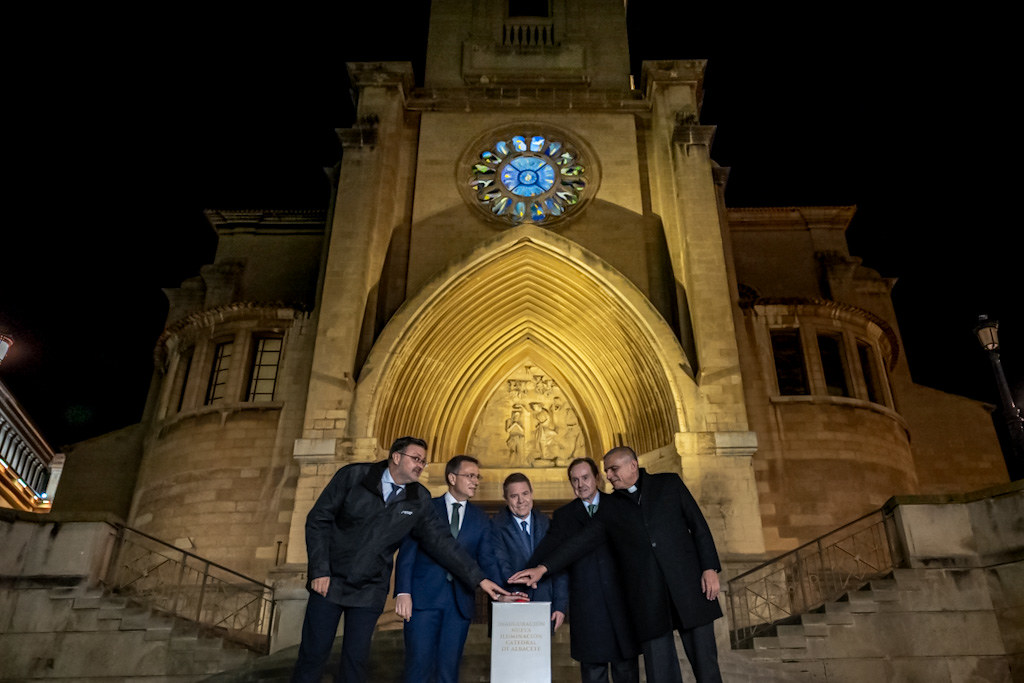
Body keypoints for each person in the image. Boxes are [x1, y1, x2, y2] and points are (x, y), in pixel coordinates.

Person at [291, 437, 507, 683]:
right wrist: (320, 570)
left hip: (370, 589)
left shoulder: (419, 499)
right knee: (313, 655)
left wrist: (479, 579)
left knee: (356, 661)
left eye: (424, 462)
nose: (421, 465)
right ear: (396, 457)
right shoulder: (354, 476)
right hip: (329, 581)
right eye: (416, 459)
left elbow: (442, 542)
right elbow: (319, 519)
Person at [510, 446, 724, 683]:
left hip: (689, 589)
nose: (610, 476)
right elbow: (581, 542)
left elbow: (699, 526)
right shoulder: (612, 506)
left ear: (633, 465)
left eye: (614, 469)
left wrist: (710, 567)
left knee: (707, 669)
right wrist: (543, 568)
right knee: (661, 675)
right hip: (649, 601)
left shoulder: (669, 483)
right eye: (607, 471)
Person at [393, 455, 501, 683]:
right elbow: (407, 553)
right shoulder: (426, 507)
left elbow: (487, 560)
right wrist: (403, 592)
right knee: (418, 669)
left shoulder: (481, 519)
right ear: (452, 477)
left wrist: (504, 590)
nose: (476, 481)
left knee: (448, 672)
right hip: (422, 602)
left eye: (477, 476)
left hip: (459, 606)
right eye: (470, 475)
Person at [535, 458, 640, 683]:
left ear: (597, 478)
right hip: (587, 610)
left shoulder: (620, 504)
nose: (580, 484)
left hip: (623, 606)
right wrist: (531, 571)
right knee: (593, 674)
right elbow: (551, 550)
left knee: (626, 672)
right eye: (575, 480)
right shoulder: (564, 516)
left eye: (585, 477)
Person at [491, 472, 568, 632]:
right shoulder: (494, 526)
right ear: (505, 498)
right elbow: (500, 563)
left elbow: (560, 565)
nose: (521, 501)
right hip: (510, 603)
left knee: (542, 657)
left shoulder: (548, 523)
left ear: (531, 494)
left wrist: (560, 605)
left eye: (525, 494)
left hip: (545, 606)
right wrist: (526, 580)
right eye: (514, 496)